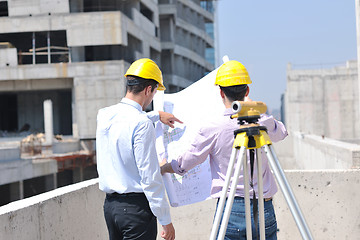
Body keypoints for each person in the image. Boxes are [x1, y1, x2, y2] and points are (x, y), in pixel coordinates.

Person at [161, 60, 288, 240]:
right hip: (263, 206)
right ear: (247, 91)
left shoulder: (213, 126)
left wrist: (165, 167)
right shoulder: (260, 121)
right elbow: (282, 132)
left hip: (231, 209)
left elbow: (187, 161)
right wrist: (259, 114)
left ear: (221, 92)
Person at [96, 58, 182, 240]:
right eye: (154, 93)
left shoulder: (104, 115)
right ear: (148, 89)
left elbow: (127, 121)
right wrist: (165, 219)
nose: (152, 98)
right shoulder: (141, 124)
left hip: (111, 208)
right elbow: (150, 177)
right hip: (136, 211)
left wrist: (156, 115)